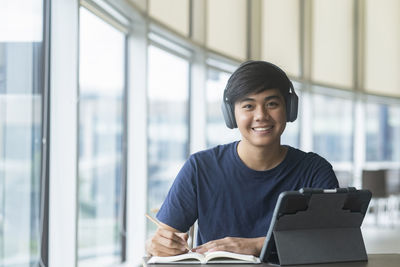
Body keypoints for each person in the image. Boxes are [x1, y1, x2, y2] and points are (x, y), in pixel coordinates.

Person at [146, 60, 339, 257]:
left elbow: (334, 241)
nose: (261, 115)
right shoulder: (200, 168)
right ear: (231, 114)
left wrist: (258, 245)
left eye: (272, 104)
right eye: (248, 106)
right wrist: (157, 246)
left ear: (289, 108)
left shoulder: (315, 170)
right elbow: (163, 239)